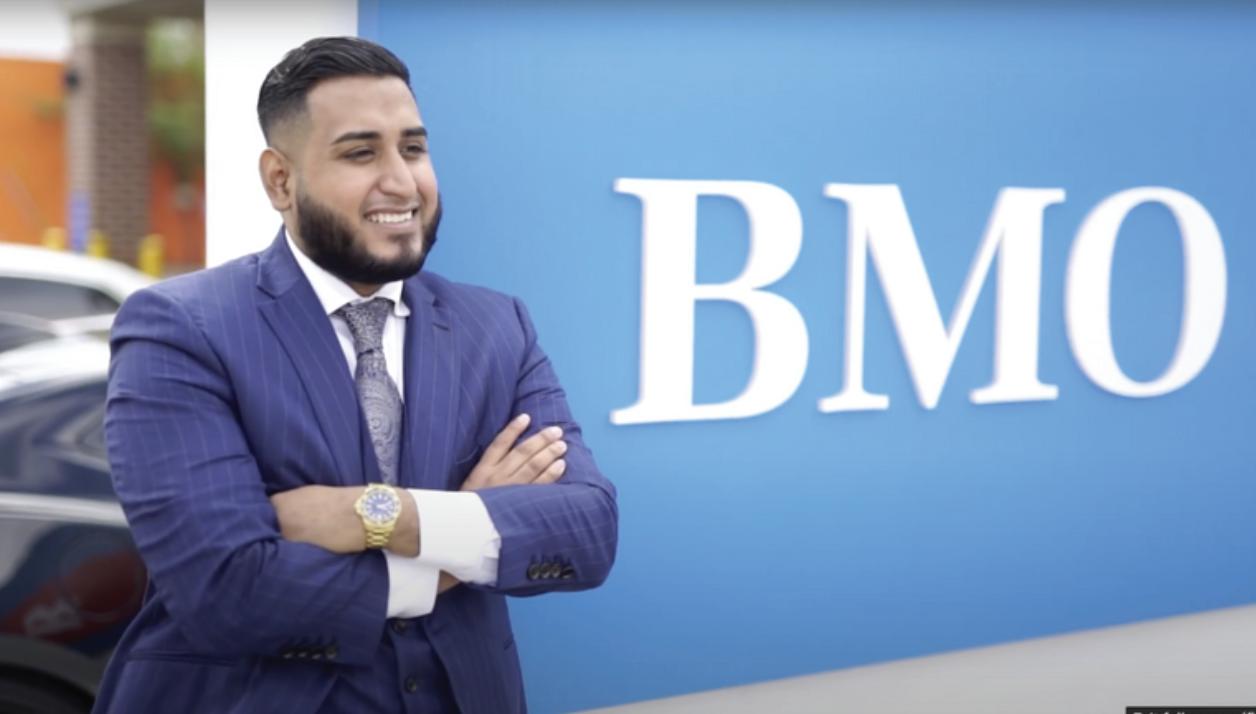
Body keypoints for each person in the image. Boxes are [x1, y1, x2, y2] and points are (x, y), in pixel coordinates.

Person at [94, 36, 618, 714]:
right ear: (280, 180)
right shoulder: (180, 328)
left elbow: (587, 532)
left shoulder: (498, 326)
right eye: (360, 153)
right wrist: (468, 535)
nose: (401, 182)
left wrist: (375, 515)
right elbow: (228, 590)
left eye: (413, 148)